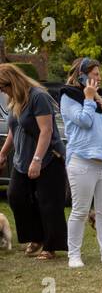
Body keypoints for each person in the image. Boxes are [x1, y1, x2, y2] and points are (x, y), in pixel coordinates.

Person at [0, 64, 69, 260]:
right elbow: (14, 129)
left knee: (49, 202)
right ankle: (36, 237)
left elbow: (46, 131)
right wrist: (3, 153)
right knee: (16, 196)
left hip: (48, 158)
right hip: (22, 158)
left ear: (11, 82)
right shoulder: (14, 99)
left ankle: (50, 246)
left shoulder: (38, 97)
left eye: (2, 87)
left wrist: (37, 159)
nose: (2, 91)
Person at [61, 57, 102, 268]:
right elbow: (84, 121)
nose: (99, 78)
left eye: (99, 74)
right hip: (82, 161)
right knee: (80, 210)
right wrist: (89, 99)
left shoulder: (100, 100)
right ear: (82, 76)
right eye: (95, 74)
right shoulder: (69, 96)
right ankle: (74, 255)